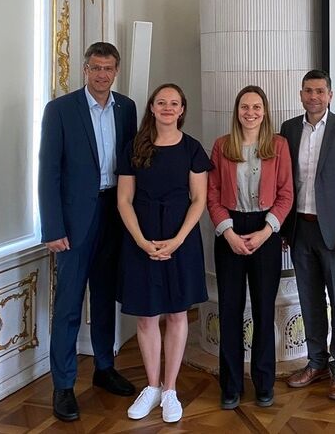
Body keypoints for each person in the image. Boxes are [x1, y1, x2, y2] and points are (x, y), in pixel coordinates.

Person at [38, 42, 137, 422]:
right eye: (95, 67)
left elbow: (132, 163)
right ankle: (63, 385)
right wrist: (53, 227)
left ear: (116, 71)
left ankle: (104, 367)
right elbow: (49, 172)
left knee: (105, 297)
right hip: (75, 223)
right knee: (68, 305)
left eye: (108, 68)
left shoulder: (126, 108)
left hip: (115, 213)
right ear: (84, 69)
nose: (102, 75)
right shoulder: (60, 110)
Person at [116, 83, 212, 423]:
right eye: (162, 102)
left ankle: (170, 390)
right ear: (152, 108)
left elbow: (199, 199)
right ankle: (152, 386)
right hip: (140, 238)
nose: (168, 108)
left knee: (176, 313)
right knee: (145, 316)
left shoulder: (193, 149)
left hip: (180, 239)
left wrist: (178, 239)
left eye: (174, 103)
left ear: (182, 109)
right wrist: (142, 241)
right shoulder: (133, 147)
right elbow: (124, 199)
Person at [280, 69, 335, 400]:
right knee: (309, 300)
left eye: (319, 91)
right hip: (301, 229)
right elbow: (285, 183)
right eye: (307, 91)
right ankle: (315, 363)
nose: (313, 96)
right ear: (300, 95)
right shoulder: (288, 130)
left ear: (330, 95)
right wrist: (285, 227)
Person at [207, 85, 293, 410]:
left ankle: (263, 383)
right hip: (229, 231)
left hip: (265, 232)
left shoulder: (279, 146)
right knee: (229, 311)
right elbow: (212, 195)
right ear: (237, 111)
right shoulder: (221, 146)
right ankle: (230, 386)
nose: (251, 113)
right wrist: (228, 233)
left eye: (257, 107)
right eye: (245, 107)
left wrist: (265, 232)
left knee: (263, 311)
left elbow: (286, 194)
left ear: (265, 111)